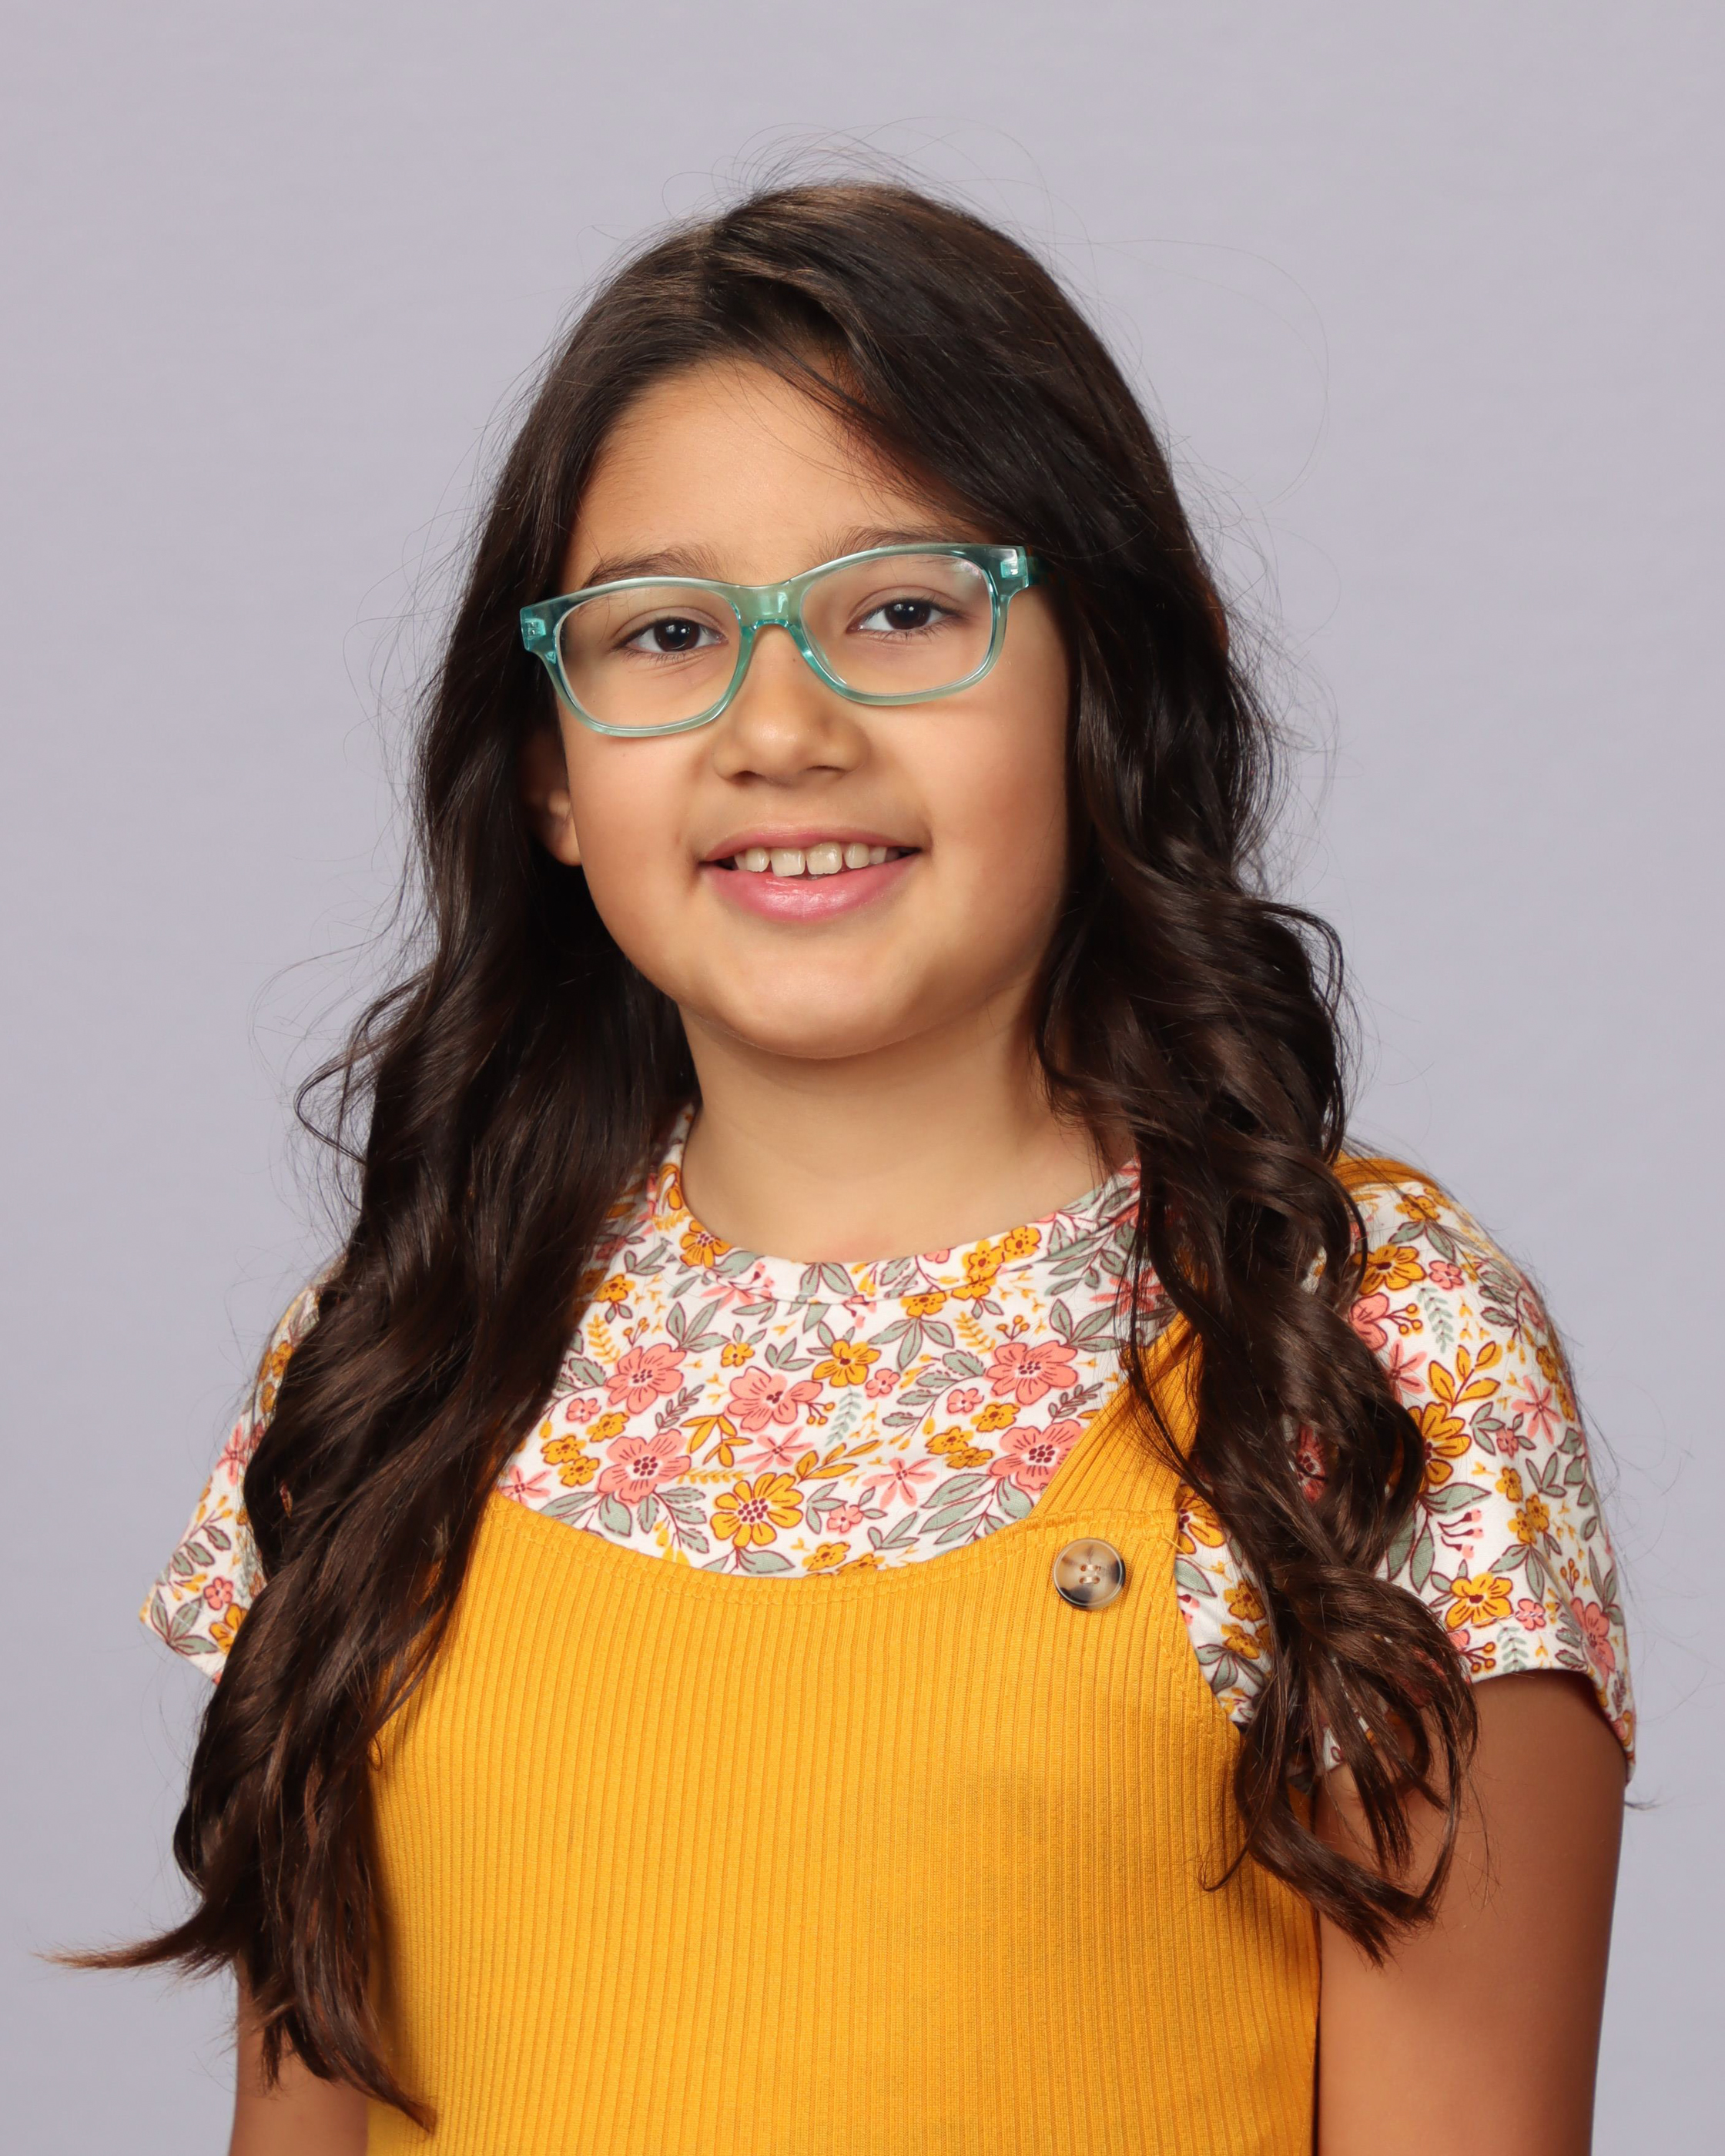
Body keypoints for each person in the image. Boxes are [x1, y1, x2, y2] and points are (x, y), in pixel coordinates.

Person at [109, 182, 1631, 2154]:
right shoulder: (399, 1356)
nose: (780, 725)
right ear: (552, 770)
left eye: (902, 608)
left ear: (1101, 681)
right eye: (665, 632)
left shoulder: (1362, 1345)